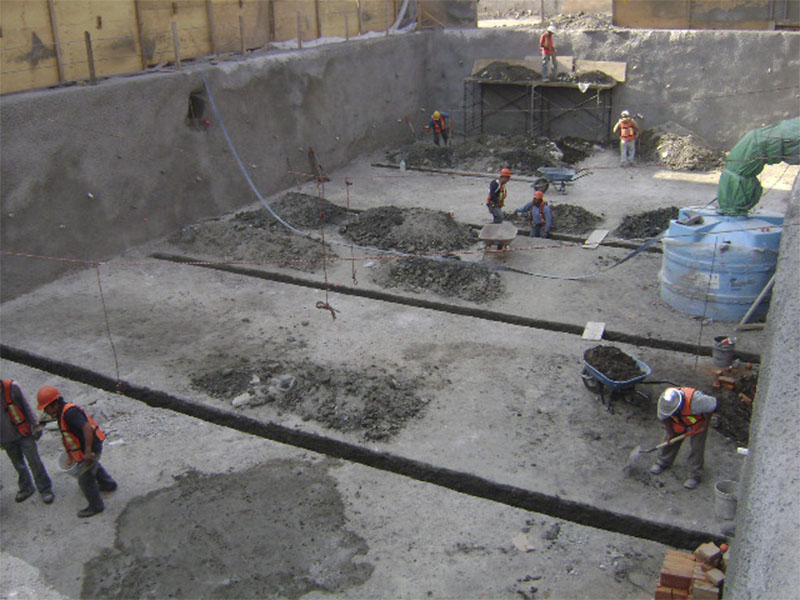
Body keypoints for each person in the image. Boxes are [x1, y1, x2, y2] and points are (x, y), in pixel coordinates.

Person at [37, 385, 117, 517]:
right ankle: (108, 484)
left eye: (46, 408)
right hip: (91, 447)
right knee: (92, 466)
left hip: (91, 447)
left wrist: (87, 451)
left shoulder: (69, 413)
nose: (46, 412)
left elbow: (87, 428)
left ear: (55, 404)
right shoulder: (62, 411)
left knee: (85, 479)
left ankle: (96, 506)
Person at [650, 387, 717, 490]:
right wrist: (670, 433)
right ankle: (662, 462)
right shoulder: (665, 402)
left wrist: (705, 425)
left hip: (698, 422)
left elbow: (712, 405)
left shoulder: (697, 400)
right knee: (670, 441)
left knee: (697, 448)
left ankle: (694, 475)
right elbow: (665, 417)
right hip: (678, 421)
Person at [1, 379, 54, 504]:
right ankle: (26, 487)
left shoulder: (12, 387)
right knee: (18, 465)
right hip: (6, 437)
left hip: (23, 432)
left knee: (34, 461)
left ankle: (45, 489)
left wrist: (36, 425)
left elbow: (26, 406)